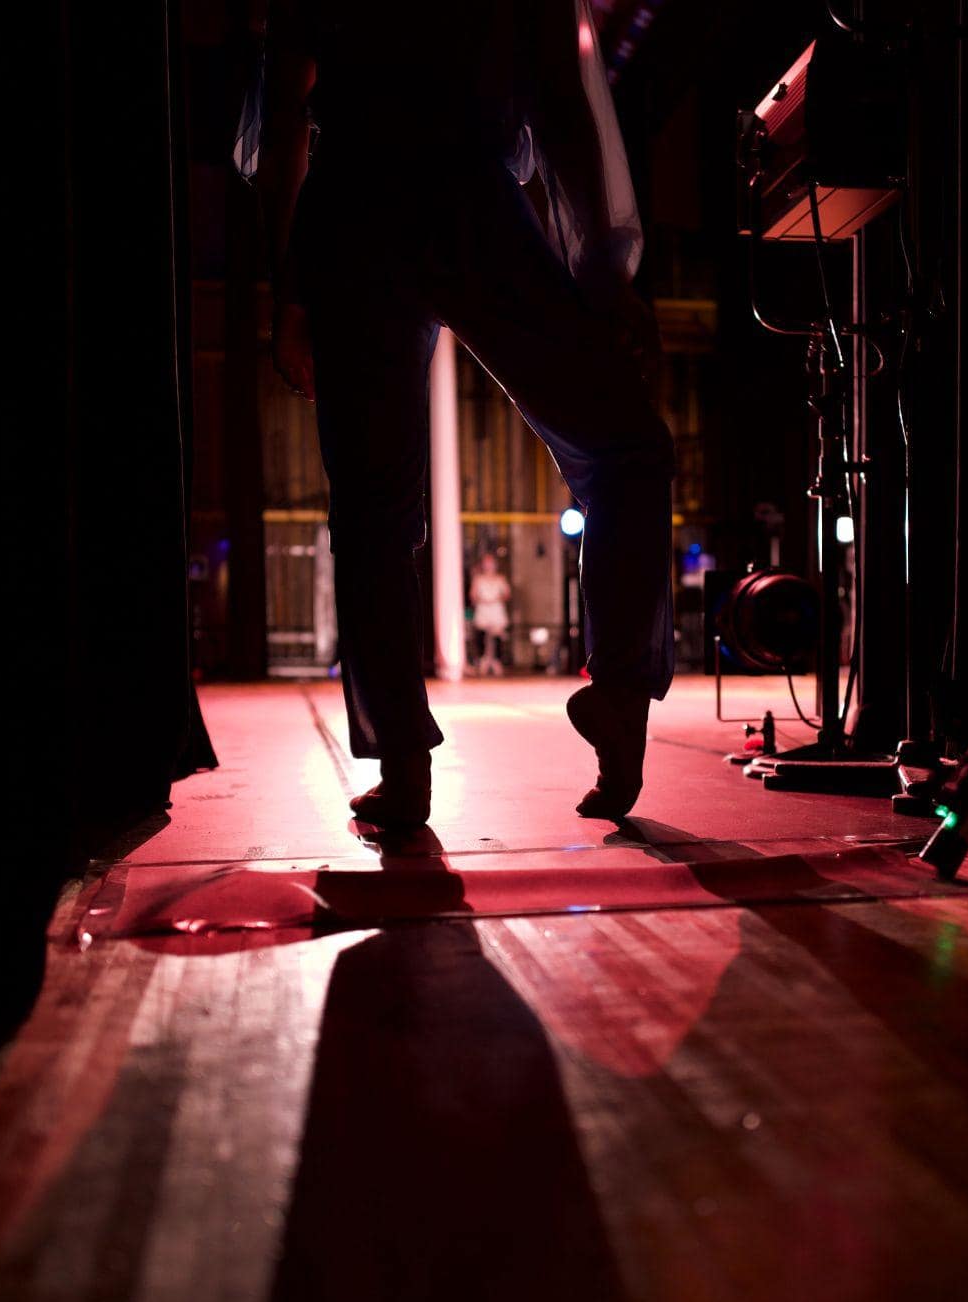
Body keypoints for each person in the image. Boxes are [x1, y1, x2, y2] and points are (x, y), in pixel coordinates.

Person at [248, 0, 674, 829]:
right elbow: (558, 96)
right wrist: (600, 268)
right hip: (468, 198)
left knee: (373, 511)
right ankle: (621, 687)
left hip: (354, 204)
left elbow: (283, 117)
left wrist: (287, 286)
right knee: (625, 447)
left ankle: (403, 768)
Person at [469, 553, 512, 676]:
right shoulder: (478, 579)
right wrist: (481, 600)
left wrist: (496, 598)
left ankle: (496, 662)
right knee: (482, 636)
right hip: (483, 609)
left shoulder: (500, 578)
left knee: (497, 637)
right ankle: (483, 661)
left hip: (496, 609)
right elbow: (473, 595)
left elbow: (507, 594)